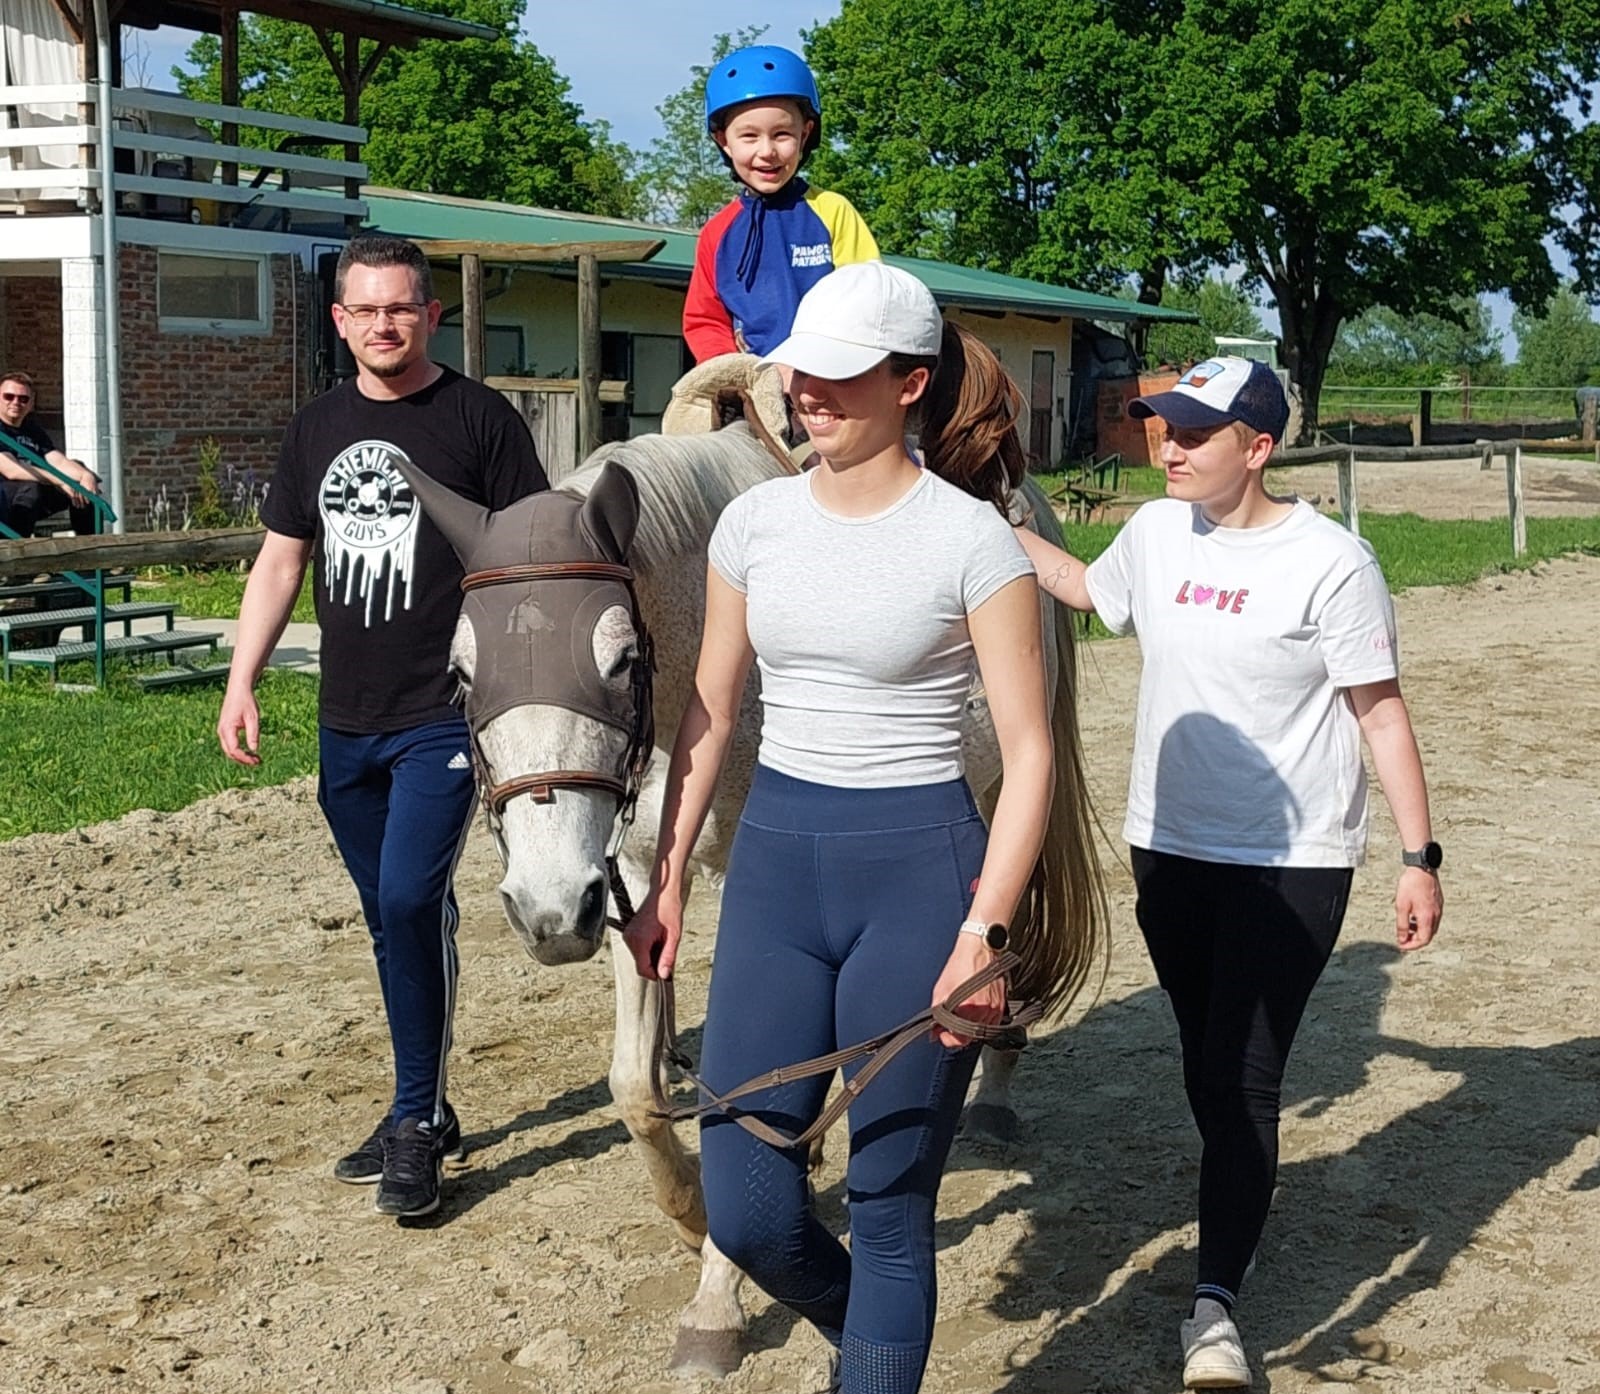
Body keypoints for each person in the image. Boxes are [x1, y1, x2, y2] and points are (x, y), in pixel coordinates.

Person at [623, 260, 1068, 1394]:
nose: (807, 394)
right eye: (799, 374)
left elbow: (1029, 755)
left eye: (838, 375)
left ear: (909, 382)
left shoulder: (974, 542)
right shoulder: (753, 524)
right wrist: (667, 879)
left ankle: (875, 1361)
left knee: (888, 1206)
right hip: (775, 870)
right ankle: (869, 1335)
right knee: (750, 1209)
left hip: (919, 877)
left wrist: (983, 934)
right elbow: (710, 708)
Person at [1012, 356, 1445, 1388]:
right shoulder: (1157, 532)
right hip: (1167, 847)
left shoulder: (1332, 563)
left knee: (1242, 1074)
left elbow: (1379, 713)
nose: (1169, 447)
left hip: (1290, 863)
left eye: (1196, 433)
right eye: (1165, 427)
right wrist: (983, 518)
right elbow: (1084, 589)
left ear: (1258, 447)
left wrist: (1417, 856)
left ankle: (1213, 1306)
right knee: (1207, 1063)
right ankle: (1240, 1192)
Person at [216, 235, 548, 1220]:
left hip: (440, 715)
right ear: (340, 320)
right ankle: (426, 1098)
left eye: (400, 307)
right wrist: (241, 680)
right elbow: (281, 560)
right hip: (345, 719)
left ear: (430, 315)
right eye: (364, 309)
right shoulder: (316, 427)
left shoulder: (480, 420)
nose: (383, 324)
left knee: (409, 902)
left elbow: (533, 555)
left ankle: (414, 1122)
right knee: (391, 919)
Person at [682, 44, 879, 363]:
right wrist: (732, 373)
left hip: (828, 375)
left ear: (805, 134)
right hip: (753, 383)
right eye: (749, 136)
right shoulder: (716, 233)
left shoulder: (833, 211)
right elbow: (706, 320)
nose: (767, 151)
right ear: (724, 141)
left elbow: (866, 297)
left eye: (782, 134)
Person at [0, 369, 102, 538]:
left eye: (23, 399)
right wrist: (61, 480)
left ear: (31, 403)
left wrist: (85, 476)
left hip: (34, 495)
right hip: (6, 500)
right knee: (30, 489)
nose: (16, 402)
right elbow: (12, 470)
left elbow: (57, 461)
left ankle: (90, 545)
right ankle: (17, 549)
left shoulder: (31, 428)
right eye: (9, 397)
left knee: (83, 484)